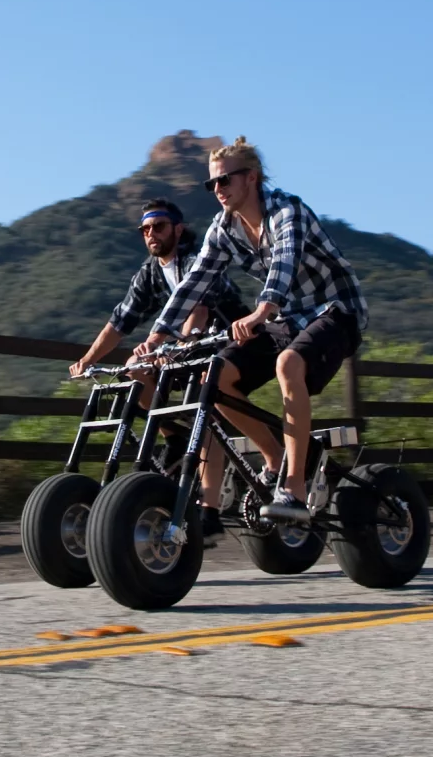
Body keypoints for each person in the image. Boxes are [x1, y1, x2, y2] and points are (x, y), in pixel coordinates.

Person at [136, 138, 364, 524]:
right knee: (215, 377)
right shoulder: (222, 230)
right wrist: (157, 337)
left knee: (289, 364)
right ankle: (275, 458)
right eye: (212, 185)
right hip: (286, 319)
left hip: (335, 311)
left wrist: (263, 308)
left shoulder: (287, 211)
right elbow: (194, 283)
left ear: (252, 178)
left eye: (224, 181)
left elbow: (284, 261)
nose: (218, 190)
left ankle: (295, 487)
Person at [71, 199, 244, 389]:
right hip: (191, 349)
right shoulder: (149, 274)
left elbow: (199, 311)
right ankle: (159, 419)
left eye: (159, 226)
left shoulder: (197, 261)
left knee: (204, 384)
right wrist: (86, 361)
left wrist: (173, 350)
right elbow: (119, 322)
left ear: (178, 230)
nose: (151, 234)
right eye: (145, 230)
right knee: (134, 367)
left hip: (232, 345)